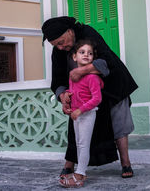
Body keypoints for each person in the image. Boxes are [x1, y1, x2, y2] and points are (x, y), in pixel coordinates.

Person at [42, 16, 138, 180]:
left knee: (119, 122)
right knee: (75, 124)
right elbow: (57, 79)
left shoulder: (87, 33)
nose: (60, 47)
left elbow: (107, 59)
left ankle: (126, 163)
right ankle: (69, 163)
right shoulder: (59, 50)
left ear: (70, 31)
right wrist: (63, 95)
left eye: (61, 41)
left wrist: (83, 70)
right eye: (56, 45)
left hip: (113, 84)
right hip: (84, 92)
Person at [59, 40, 104, 188]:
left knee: (84, 144)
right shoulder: (73, 77)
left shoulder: (92, 77)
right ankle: (80, 171)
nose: (86, 55)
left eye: (90, 53)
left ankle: (80, 174)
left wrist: (80, 110)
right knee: (78, 144)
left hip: (87, 114)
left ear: (93, 58)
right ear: (74, 57)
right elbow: (73, 92)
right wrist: (66, 97)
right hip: (76, 115)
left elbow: (97, 98)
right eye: (82, 52)